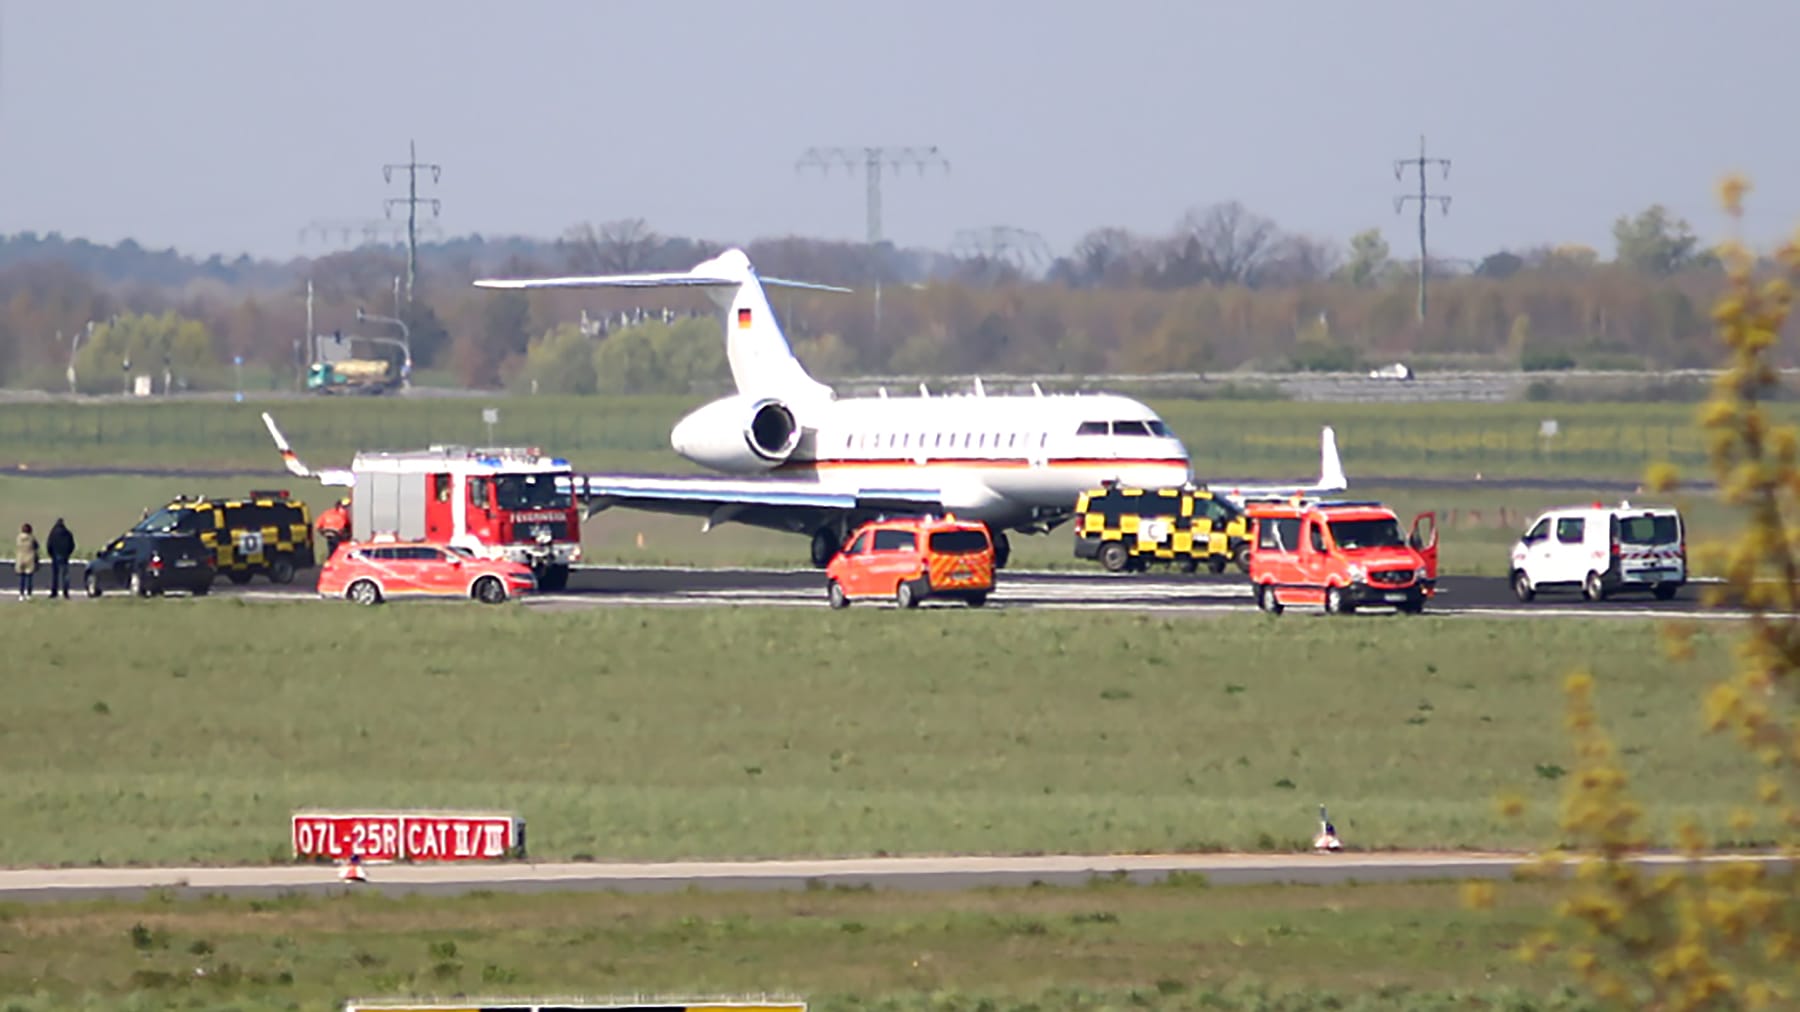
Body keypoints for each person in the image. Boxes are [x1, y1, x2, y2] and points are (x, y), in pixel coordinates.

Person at [46, 518, 75, 599]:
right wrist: (68, 553)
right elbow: (72, 545)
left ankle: (54, 592)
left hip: (55, 555)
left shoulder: (53, 533)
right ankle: (66, 592)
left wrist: (51, 554)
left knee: (55, 575)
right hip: (65, 556)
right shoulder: (67, 533)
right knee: (65, 575)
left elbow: (49, 544)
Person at [15, 522, 38, 600]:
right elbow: (36, 546)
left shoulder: (19, 538)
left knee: (22, 578)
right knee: (29, 578)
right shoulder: (31, 538)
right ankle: (29, 594)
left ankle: (21, 594)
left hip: (20, 559)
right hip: (29, 559)